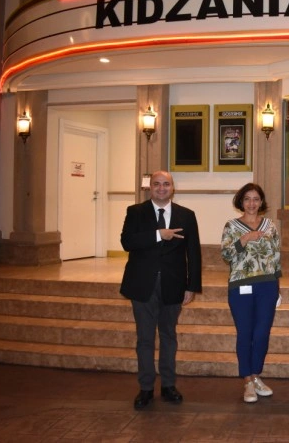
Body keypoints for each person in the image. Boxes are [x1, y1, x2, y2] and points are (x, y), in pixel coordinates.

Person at [120, 170, 202, 410]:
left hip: (173, 284)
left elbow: (194, 253)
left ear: (173, 188)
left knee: (168, 336)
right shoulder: (135, 212)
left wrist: (192, 286)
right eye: (157, 184)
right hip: (142, 284)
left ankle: (168, 385)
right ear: (150, 188)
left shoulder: (186, 215)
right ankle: (146, 388)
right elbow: (127, 242)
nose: (161, 188)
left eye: (166, 184)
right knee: (145, 338)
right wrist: (158, 235)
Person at [221, 183, 281, 403]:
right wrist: (244, 239)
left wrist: (278, 287)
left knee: (262, 333)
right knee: (245, 333)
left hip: (267, 286)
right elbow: (226, 255)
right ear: (241, 201)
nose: (252, 203)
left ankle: (256, 375)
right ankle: (247, 380)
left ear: (261, 201)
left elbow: (276, 257)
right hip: (240, 286)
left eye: (256, 199)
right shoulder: (231, 226)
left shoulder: (270, 226)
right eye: (247, 199)